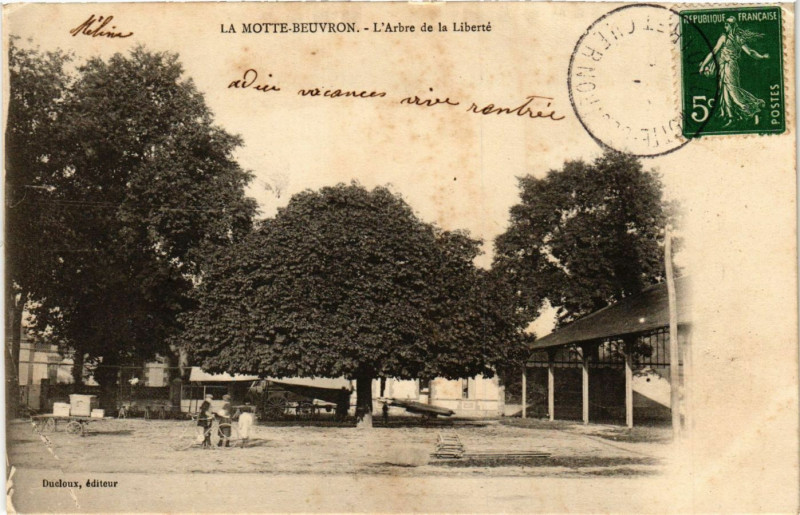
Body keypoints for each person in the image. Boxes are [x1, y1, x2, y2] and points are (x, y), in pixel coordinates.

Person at [699, 17, 770, 127]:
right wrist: (761, 56)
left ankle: (753, 110)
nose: (725, 27)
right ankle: (730, 116)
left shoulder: (725, 37)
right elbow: (750, 52)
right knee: (725, 91)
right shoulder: (738, 38)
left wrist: (703, 65)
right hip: (727, 66)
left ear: (731, 26)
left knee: (733, 92)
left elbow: (714, 51)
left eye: (726, 25)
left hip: (729, 67)